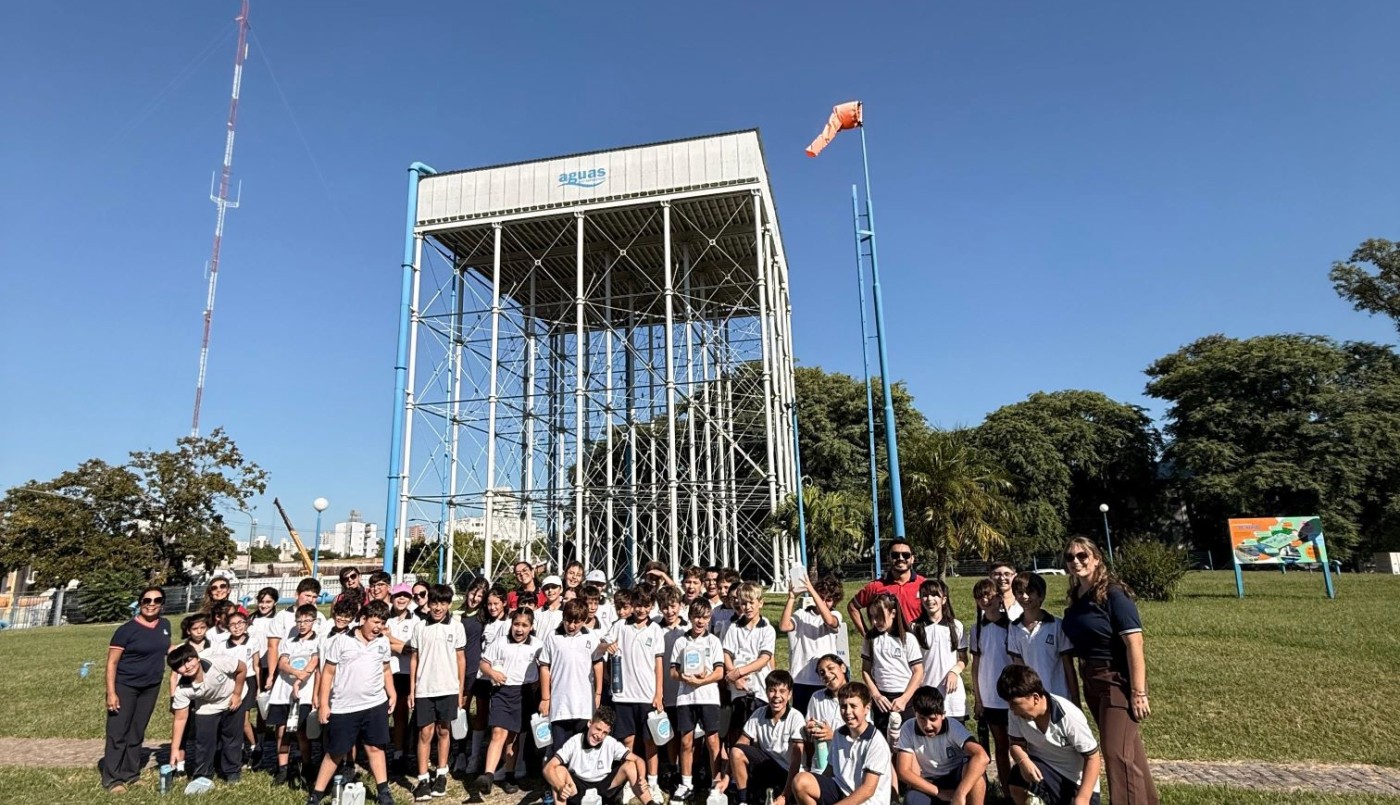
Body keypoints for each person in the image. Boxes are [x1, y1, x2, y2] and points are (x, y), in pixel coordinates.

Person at [1059, 536, 1158, 805]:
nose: (1076, 561)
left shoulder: (1114, 595)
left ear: (1096, 559)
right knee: (1129, 753)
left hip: (1117, 681)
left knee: (1115, 754)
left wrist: (1138, 692)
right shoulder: (1078, 597)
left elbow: (1134, 644)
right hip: (1091, 679)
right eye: (1070, 557)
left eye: (1082, 556)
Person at [308, 600, 397, 805]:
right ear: (363, 619)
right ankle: (317, 794)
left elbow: (385, 670)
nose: (378, 627)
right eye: (375, 622)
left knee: (375, 748)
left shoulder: (382, 642)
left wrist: (391, 693)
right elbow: (327, 674)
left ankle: (383, 791)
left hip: (375, 704)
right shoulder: (341, 641)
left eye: (382, 623)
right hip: (344, 707)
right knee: (336, 752)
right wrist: (324, 704)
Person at [101, 585, 172, 792]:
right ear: (140, 603)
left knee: (137, 732)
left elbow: (167, 648)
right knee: (118, 732)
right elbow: (112, 663)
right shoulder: (126, 630)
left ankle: (130, 774)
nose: (151, 604)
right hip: (126, 686)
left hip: (151, 686)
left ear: (162, 604)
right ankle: (112, 779)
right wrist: (111, 692)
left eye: (156, 600)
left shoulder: (165, 625)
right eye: (146, 600)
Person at [998, 665, 1101, 805]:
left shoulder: (1068, 716)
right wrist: (1023, 761)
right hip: (1043, 770)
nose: (1012, 710)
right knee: (1017, 778)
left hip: (1075, 780)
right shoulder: (1016, 714)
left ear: (1035, 698)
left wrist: (1082, 798)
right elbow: (1016, 745)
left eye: (1015, 704)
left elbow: (1093, 757)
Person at [473, 608, 543, 796]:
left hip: (524, 692)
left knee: (513, 736)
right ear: (511, 624)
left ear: (531, 627)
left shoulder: (537, 645)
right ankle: (488, 775)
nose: (519, 629)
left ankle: (509, 773)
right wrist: (492, 673)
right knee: (498, 732)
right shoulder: (500, 642)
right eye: (516, 624)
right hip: (502, 691)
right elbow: (483, 663)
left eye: (524, 625)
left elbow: (544, 668)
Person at [409, 583, 468, 801]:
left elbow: (461, 659)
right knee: (425, 733)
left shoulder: (456, 627)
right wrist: (412, 689)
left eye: (443, 603)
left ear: (449, 604)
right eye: (434, 603)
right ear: (429, 604)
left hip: (448, 687)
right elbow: (414, 659)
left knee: (444, 731)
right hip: (425, 688)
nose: (438, 607)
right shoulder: (419, 627)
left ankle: (441, 773)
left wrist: (460, 689)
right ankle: (423, 777)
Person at [606, 586, 666, 794]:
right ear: (632, 605)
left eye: (646, 606)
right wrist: (607, 647)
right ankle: (629, 781)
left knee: (650, 741)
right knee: (627, 740)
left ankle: (653, 782)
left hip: (647, 695)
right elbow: (602, 643)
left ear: (651, 607)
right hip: (623, 695)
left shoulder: (655, 629)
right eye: (638, 605)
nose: (641, 610)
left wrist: (659, 694)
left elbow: (659, 664)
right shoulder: (620, 625)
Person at [790, 682, 891, 805]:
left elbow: (867, 790)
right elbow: (830, 769)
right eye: (843, 706)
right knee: (801, 781)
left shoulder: (876, 742)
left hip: (867, 801)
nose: (848, 711)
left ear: (867, 708)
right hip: (841, 789)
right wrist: (819, 783)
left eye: (853, 706)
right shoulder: (839, 733)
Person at [168, 645, 248, 785]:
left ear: (198, 658)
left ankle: (232, 772)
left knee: (231, 737)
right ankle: (202, 775)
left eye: (189, 660)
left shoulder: (218, 662)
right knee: (204, 742)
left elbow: (242, 668)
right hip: (207, 706)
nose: (186, 666)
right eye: (180, 666)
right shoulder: (182, 689)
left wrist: (237, 694)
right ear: (176, 671)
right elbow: (180, 719)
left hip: (232, 697)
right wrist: (174, 749)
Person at [721, 670, 805, 805]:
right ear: (766, 692)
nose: (776, 696)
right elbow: (740, 745)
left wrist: (785, 795)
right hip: (767, 766)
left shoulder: (796, 717)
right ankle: (743, 801)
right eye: (772, 690)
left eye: (782, 691)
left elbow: (796, 760)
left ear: (789, 694)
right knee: (736, 751)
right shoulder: (759, 713)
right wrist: (726, 777)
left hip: (789, 773)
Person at [894, 687, 988, 805]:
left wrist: (960, 793)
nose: (927, 725)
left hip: (957, 778)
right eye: (922, 719)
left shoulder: (954, 727)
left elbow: (982, 757)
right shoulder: (908, 727)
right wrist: (940, 793)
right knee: (911, 799)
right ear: (915, 713)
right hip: (929, 783)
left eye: (933, 719)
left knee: (976, 775)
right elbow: (904, 771)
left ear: (943, 715)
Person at [543, 707, 657, 805]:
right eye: (598, 729)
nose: (599, 735)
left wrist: (641, 778)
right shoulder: (574, 741)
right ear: (590, 723)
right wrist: (560, 787)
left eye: (604, 732)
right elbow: (548, 768)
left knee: (631, 765)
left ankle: (649, 802)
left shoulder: (610, 743)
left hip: (603, 787)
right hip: (578, 788)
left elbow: (638, 760)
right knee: (558, 770)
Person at [670, 598, 725, 800]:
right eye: (696, 617)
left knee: (712, 742)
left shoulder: (714, 641)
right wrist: (683, 676)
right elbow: (673, 672)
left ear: (709, 618)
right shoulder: (680, 642)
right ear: (690, 617)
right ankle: (686, 783)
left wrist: (703, 680)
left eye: (704, 617)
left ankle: (715, 783)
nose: (700, 622)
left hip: (708, 697)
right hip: (685, 698)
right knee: (686, 742)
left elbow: (719, 672)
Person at [538, 598, 607, 750]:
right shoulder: (552, 636)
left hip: (584, 705)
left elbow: (598, 663)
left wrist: (598, 693)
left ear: (583, 621)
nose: (571, 626)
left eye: (576, 622)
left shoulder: (590, 637)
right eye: (568, 621)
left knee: (583, 748)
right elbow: (544, 666)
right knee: (560, 750)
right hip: (560, 705)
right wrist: (545, 697)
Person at [268, 603, 320, 789]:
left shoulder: (318, 641)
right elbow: (282, 663)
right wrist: (296, 673)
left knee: (302, 733)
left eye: (307, 620)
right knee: (281, 731)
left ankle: (306, 766)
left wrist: (302, 678)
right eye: (299, 621)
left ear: (314, 621)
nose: (302, 624)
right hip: (283, 692)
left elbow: (314, 662)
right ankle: (282, 768)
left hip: (303, 694)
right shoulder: (289, 641)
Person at [779, 572, 846, 713]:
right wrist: (791, 598)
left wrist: (811, 589)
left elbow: (829, 622)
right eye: (821, 597)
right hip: (800, 678)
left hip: (824, 679)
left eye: (829, 600)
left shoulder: (835, 615)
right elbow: (784, 626)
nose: (824, 602)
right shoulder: (801, 614)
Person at [1007, 572, 1078, 703]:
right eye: (1020, 592)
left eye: (1030, 592)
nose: (1025, 596)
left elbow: (1068, 665)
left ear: (1041, 595)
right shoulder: (1014, 628)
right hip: (1031, 699)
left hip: (1059, 697)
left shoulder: (1056, 625)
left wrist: (1075, 699)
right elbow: (1019, 665)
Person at [860, 593, 923, 738]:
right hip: (881, 700)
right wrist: (876, 695)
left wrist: (905, 698)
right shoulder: (870, 638)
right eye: (872, 617)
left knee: (907, 743)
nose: (876, 622)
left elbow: (918, 671)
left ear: (893, 613)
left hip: (905, 699)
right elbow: (865, 671)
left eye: (880, 617)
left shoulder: (908, 638)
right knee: (883, 742)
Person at [970, 579, 1014, 790]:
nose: (985, 600)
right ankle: (1006, 790)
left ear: (999, 597)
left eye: (989, 595)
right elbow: (975, 666)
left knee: (1020, 746)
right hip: (989, 698)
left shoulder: (1012, 626)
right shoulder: (976, 629)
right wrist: (978, 699)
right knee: (1001, 746)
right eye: (980, 597)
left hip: (1012, 697)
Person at [722, 581, 777, 744]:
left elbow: (763, 659)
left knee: (760, 733)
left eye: (751, 603)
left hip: (760, 689)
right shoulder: (734, 628)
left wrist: (738, 672)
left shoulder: (767, 629)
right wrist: (735, 678)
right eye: (743, 603)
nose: (747, 607)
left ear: (760, 603)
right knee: (739, 732)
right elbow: (727, 654)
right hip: (738, 690)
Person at [910, 579, 969, 724]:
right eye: (925, 595)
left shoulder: (956, 626)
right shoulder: (914, 627)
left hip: (952, 695)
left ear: (944, 600)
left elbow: (963, 658)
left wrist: (954, 672)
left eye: (935, 595)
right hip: (926, 692)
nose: (930, 599)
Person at [849, 539, 927, 635]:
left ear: (912, 559)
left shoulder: (924, 584)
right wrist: (867, 635)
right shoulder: (876, 586)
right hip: (888, 645)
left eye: (905, 555)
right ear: (888, 558)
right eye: (895, 555)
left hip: (919, 644)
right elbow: (853, 607)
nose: (901, 558)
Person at [457, 576, 490, 774]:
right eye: (473, 593)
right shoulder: (458, 615)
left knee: (481, 714)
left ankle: (475, 755)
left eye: (480, 595)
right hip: (463, 670)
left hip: (481, 671)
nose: (475, 598)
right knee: (462, 711)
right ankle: (460, 752)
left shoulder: (485, 615)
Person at [386, 584, 418, 773]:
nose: (401, 599)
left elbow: (411, 648)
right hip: (385, 671)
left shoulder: (415, 621)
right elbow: (378, 638)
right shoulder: (385, 617)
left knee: (401, 715)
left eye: (405, 596)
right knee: (383, 715)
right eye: (398, 595)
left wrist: (389, 639)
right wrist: (393, 643)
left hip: (406, 673)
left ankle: (400, 753)